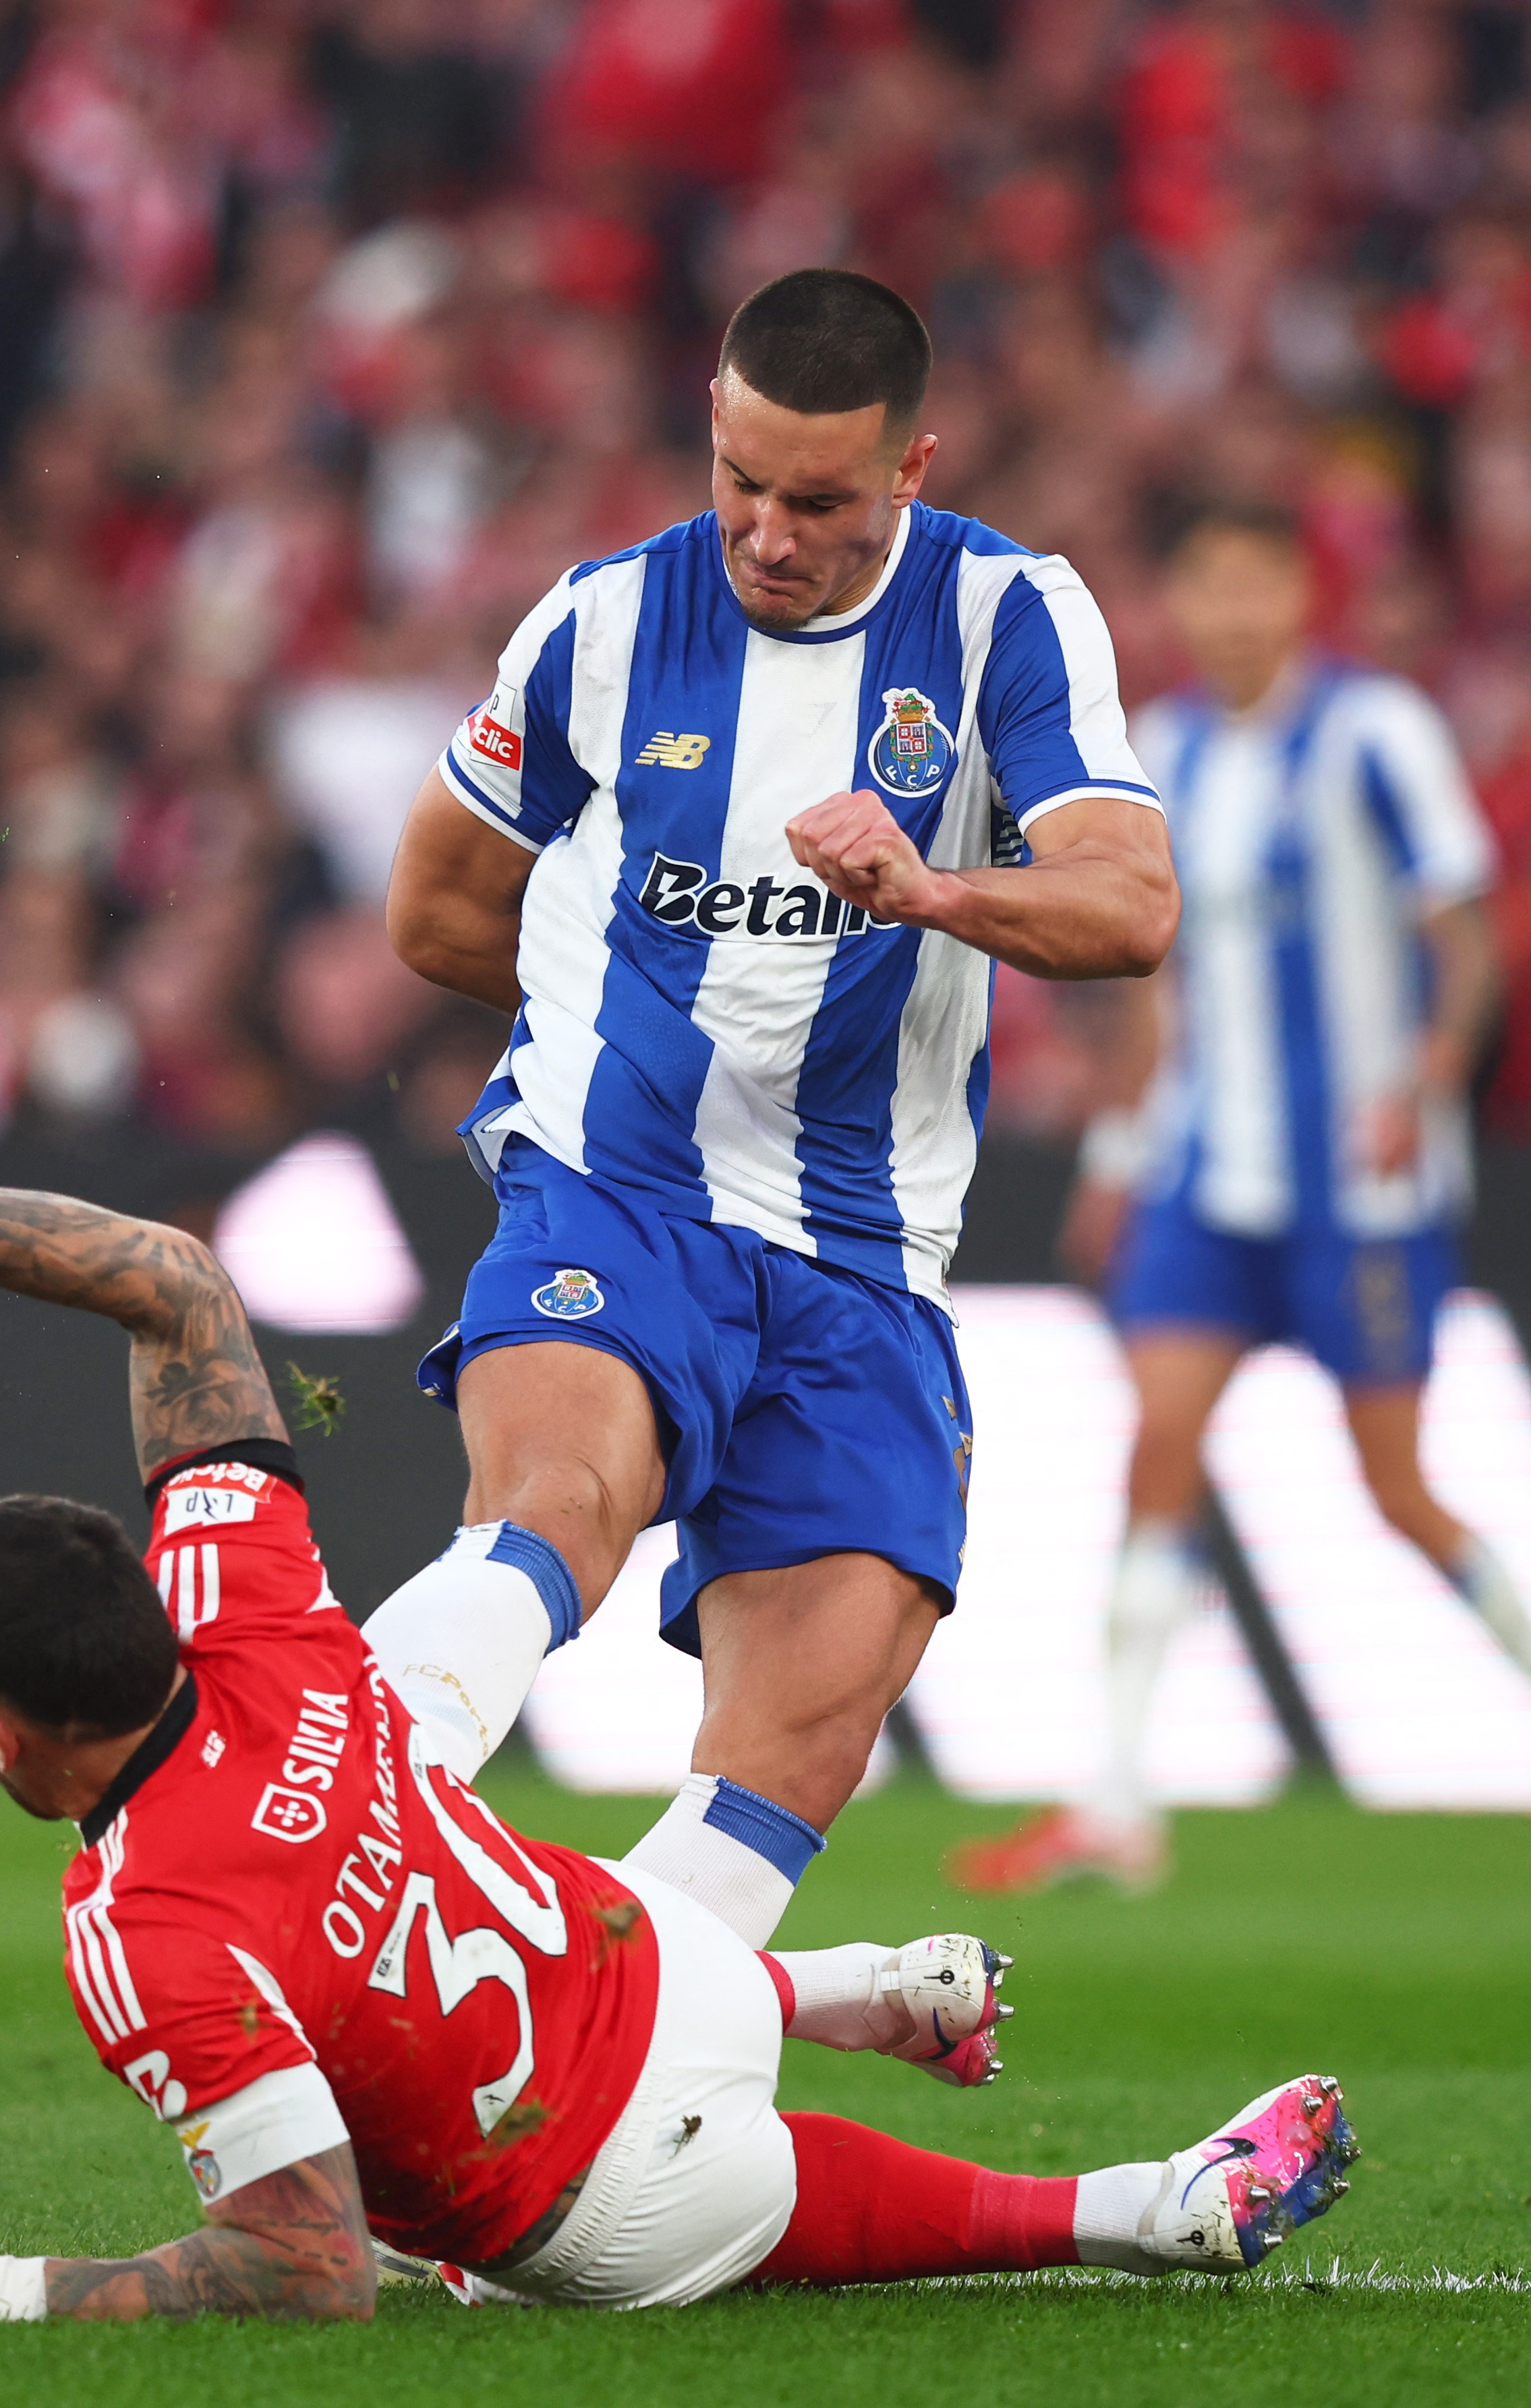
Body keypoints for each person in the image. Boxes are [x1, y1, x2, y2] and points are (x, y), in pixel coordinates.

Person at [0, 1123, 1355, 2321]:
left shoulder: (138, 1927)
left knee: (637, 2197)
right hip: (659, 1958)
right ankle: (851, 1989)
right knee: (465, 1812)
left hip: (623, 2199)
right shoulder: (243, 1599)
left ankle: (1142, 2205)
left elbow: (305, 2263)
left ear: (3, 1732)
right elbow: (172, 1285)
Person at [368, 268, 1180, 1947]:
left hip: (863, 1243)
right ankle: (341, 1823)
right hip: (617, 1184)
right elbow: (439, 912)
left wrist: (930, 891)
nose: (765, 531)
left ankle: (578, 2059)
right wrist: (615, 1014)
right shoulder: (598, 623)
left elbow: (1129, 904)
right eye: (738, 479)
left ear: (911, 469)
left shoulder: (1005, 619)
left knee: (800, 1741)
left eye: (817, 500)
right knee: (555, 1506)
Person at [950, 502, 1531, 1902]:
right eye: (1204, 586)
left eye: (1255, 585)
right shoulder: (1169, 749)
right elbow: (1155, 984)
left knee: (1392, 1486)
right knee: (1157, 1446)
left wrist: (1428, 1071)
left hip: (1356, 1181)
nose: (1229, 614)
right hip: (1208, 1172)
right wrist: (1116, 1160)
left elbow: (1467, 935)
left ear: (1298, 596)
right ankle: (1117, 1802)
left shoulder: (1375, 733)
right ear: (1181, 603)